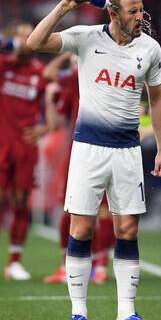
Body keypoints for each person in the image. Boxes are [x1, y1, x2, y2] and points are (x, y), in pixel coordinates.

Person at [26, 0, 161, 320]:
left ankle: (127, 315)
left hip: (128, 151)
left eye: (141, 9)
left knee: (128, 229)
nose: (140, 16)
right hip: (88, 149)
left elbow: (157, 99)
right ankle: (78, 313)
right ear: (113, 12)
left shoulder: (150, 48)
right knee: (82, 228)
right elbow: (34, 43)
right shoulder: (86, 37)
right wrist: (63, 7)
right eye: (133, 11)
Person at [0, 24, 50, 281]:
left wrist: (45, 128)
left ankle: (14, 262)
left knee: (21, 202)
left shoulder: (40, 73)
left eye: (29, 36)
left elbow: (51, 104)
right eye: (20, 36)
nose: (23, 41)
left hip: (25, 146)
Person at [42, 53, 115, 285]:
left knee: (72, 207)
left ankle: (68, 266)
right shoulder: (110, 73)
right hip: (110, 147)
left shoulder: (77, 76)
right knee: (103, 209)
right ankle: (100, 267)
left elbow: (49, 73)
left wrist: (66, 53)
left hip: (81, 149)